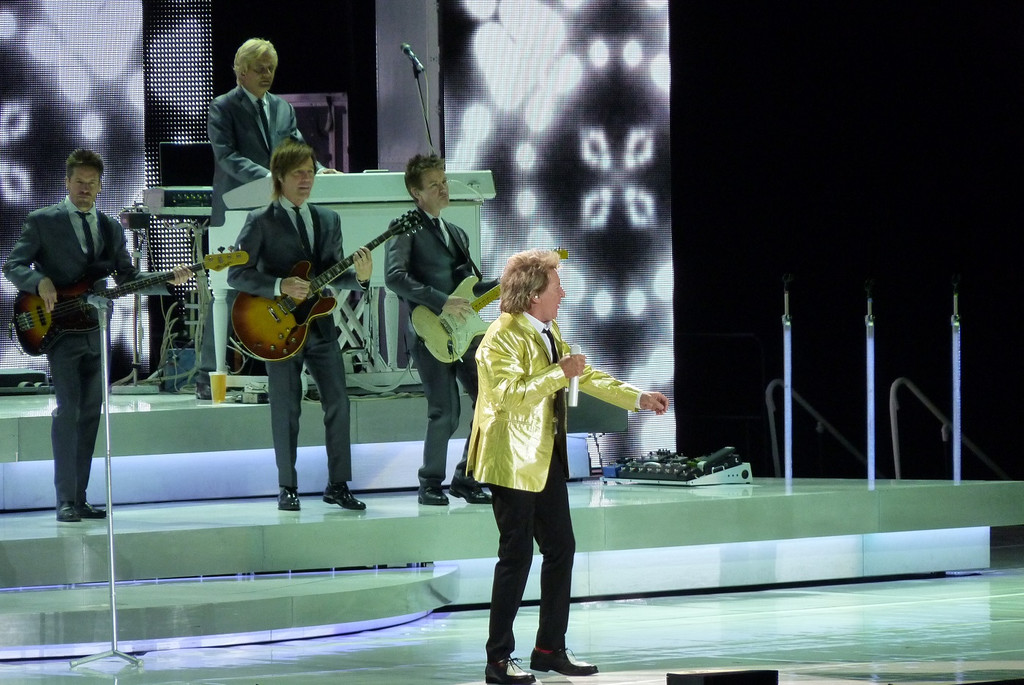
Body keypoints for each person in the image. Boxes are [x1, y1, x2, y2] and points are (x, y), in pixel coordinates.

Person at [467, 249, 670, 684]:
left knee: (561, 548)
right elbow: (508, 397)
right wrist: (559, 373)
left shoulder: (548, 329)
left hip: (545, 458)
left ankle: (549, 649)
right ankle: (498, 660)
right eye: (557, 287)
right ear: (533, 293)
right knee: (516, 556)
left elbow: (583, 374)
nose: (563, 294)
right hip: (511, 461)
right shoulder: (500, 336)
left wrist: (636, 397)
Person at [2, 149, 192, 523]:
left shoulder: (110, 227)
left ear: (101, 186)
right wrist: (39, 281)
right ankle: (64, 500)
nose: (85, 189)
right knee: (68, 412)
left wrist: (168, 278)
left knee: (90, 414)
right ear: (67, 182)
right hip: (58, 330)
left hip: (96, 328)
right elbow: (13, 265)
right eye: (79, 182)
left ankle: (80, 497)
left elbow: (127, 278)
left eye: (92, 183)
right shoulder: (42, 221)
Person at [227, 138, 370, 512]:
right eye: (298, 174)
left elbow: (333, 272)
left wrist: (361, 278)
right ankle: (286, 486)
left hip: (319, 326)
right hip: (277, 329)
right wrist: (279, 285)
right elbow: (237, 274)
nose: (306, 180)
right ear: (279, 176)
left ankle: (338, 485)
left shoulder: (328, 219)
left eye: (310, 173)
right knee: (286, 408)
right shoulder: (260, 221)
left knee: (338, 402)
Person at [199, 37, 336, 397]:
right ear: (241, 71)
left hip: (275, 212)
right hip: (237, 209)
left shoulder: (282, 108)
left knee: (276, 288)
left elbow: (296, 150)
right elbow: (227, 156)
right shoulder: (222, 107)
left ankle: (277, 363)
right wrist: (271, 177)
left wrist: (320, 170)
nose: (267, 74)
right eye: (260, 69)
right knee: (228, 290)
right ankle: (206, 375)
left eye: (271, 68)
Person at [384, 154, 495, 506]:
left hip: (465, 331)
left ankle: (468, 476)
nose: (443, 188)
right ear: (416, 193)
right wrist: (441, 300)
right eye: (434, 185)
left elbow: (470, 289)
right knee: (445, 411)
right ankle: (430, 482)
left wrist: (509, 281)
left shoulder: (457, 233)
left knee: (490, 400)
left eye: (444, 181)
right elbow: (394, 277)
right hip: (429, 330)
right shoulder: (405, 229)